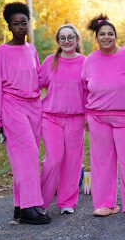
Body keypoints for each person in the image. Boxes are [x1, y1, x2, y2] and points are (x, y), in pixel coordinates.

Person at [81, 14, 125, 221]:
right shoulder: (89, 61)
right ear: (97, 38)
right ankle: (105, 204)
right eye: (102, 34)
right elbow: (84, 90)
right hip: (98, 118)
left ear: (116, 36)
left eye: (110, 34)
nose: (106, 37)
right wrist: (86, 114)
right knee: (101, 162)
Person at [0, 2, 51, 225]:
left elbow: (39, 77)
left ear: (28, 24)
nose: (21, 27)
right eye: (16, 24)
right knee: (28, 156)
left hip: (34, 106)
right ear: (9, 27)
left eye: (24, 22)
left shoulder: (31, 49)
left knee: (23, 159)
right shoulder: (1, 51)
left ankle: (20, 205)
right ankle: (29, 208)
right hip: (12, 106)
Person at [38, 24, 85, 215]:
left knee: (72, 161)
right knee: (53, 159)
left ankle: (67, 201)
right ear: (58, 42)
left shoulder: (85, 62)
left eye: (70, 37)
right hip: (50, 117)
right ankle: (39, 201)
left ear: (76, 40)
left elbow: (91, 92)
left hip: (76, 118)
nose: (66, 41)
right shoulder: (50, 61)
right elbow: (36, 85)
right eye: (62, 38)